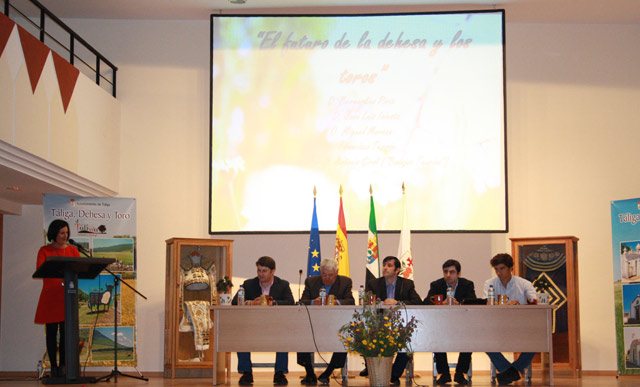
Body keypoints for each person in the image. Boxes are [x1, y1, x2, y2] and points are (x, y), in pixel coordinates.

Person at [232, 256, 295, 385]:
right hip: (252, 325)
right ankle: (246, 373)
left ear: (273, 271)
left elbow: (290, 303)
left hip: (276, 325)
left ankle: (279, 373)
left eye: (264, 271)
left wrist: (273, 302)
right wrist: (250, 303)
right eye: (259, 270)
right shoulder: (248, 284)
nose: (260, 274)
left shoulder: (283, 284)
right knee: (241, 335)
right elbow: (235, 302)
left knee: (284, 336)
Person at [34, 219, 81, 378]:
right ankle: (53, 367)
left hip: (68, 297)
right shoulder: (44, 250)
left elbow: (78, 271)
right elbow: (41, 270)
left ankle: (64, 368)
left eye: (67, 232)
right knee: (52, 334)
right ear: (54, 233)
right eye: (62, 232)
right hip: (51, 298)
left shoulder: (74, 251)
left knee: (67, 334)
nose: (65, 235)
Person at [365, 256, 422, 386]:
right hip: (380, 324)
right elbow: (367, 302)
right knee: (369, 336)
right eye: (384, 265)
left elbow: (417, 301)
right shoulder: (374, 283)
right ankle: (376, 370)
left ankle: (394, 375)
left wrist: (398, 303)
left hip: (401, 324)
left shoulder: (406, 284)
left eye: (389, 265)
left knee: (408, 342)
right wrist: (381, 303)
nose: (385, 268)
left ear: (397, 270)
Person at [297, 259, 355, 385]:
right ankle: (310, 373)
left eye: (330, 275)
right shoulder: (311, 282)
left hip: (336, 323)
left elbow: (350, 301)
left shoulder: (345, 282)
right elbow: (301, 302)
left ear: (336, 273)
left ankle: (328, 372)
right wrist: (313, 302)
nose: (327, 278)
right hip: (314, 323)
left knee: (345, 337)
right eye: (324, 274)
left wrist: (336, 302)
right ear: (320, 273)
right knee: (301, 335)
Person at [483, 253, 538, 385]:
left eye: (502, 268)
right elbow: (486, 302)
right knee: (483, 341)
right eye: (496, 269)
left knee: (537, 340)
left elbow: (534, 302)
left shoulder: (524, 284)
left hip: (520, 326)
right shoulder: (489, 283)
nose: (498, 272)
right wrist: (504, 304)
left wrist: (520, 305)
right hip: (497, 327)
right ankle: (511, 371)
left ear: (510, 268)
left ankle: (511, 371)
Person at [423, 259, 476, 386]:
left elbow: (473, 302)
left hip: (462, 324)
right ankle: (444, 373)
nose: (448, 275)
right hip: (441, 324)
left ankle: (460, 373)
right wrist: (441, 303)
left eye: (451, 272)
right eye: (445, 272)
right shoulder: (436, 285)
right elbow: (425, 302)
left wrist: (460, 304)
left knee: (470, 338)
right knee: (436, 337)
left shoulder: (467, 284)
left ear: (458, 273)